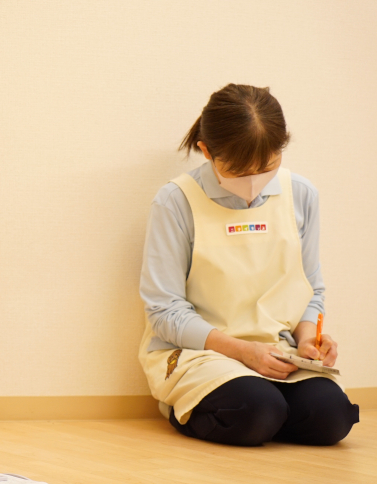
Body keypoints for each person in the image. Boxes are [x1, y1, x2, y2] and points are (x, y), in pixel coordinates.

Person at [138, 84, 359, 446]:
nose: (254, 182)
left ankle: (269, 411)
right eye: (239, 170)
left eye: (268, 166)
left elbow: (310, 287)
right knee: (255, 410)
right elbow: (164, 310)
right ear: (205, 150)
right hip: (202, 353)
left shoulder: (301, 194)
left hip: (278, 351)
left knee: (332, 418)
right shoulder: (175, 202)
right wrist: (242, 351)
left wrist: (308, 339)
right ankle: (237, 409)